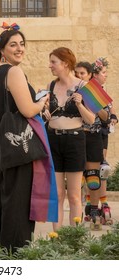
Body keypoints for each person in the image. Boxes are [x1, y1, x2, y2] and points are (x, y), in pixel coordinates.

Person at [0, 23, 51, 253]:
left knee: (4, 196)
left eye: (22, 44)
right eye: (13, 44)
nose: (19, 49)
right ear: (2, 49)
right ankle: (16, 254)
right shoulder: (13, 71)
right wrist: (41, 102)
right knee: (19, 201)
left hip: (3, 141)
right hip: (19, 143)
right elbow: (26, 109)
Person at [43, 47, 95, 231]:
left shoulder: (83, 86)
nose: (50, 66)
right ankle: (57, 237)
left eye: (53, 62)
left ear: (65, 64)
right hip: (53, 139)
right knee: (57, 194)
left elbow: (91, 119)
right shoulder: (51, 85)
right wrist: (46, 113)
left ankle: (74, 237)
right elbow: (44, 114)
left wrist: (80, 104)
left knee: (73, 195)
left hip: (75, 140)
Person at [75, 61, 110, 228]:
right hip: (76, 136)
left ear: (90, 75)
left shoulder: (95, 91)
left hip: (94, 137)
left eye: (82, 73)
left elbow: (106, 117)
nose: (79, 76)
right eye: (77, 73)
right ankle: (78, 211)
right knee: (77, 178)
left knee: (93, 177)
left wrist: (92, 103)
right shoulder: (71, 90)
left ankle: (95, 210)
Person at [91, 57, 117, 225]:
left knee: (103, 169)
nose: (106, 75)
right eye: (104, 72)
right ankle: (92, 203)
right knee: (93, 171)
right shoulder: (90, 89)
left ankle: (103, 202)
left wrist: (113, 116)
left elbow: (110, 105)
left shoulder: (102, 89)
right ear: (95, 74)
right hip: (92, 132)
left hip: (103, 132)